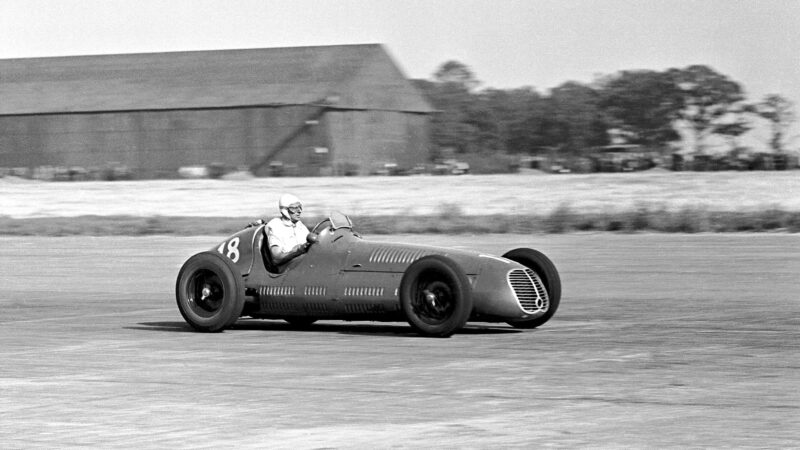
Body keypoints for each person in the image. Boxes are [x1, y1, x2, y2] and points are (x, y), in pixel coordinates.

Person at [265, 194, 312, 266]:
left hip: (304, 263)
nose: (299, 211)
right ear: (285, 210)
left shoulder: (299, 225)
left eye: (300, 207)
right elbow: (276, 258)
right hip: (288, 268)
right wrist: (297, 251)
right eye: (294, 208)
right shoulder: (275, 226)